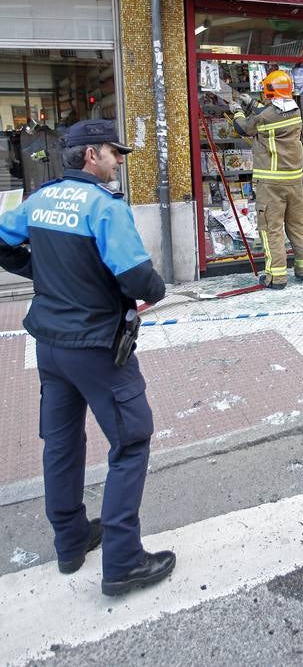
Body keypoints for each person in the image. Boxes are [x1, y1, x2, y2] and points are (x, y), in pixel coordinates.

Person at [0, 119, 176, 596]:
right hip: (97, 348)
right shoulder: (104, 207)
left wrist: (42, 270)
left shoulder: (40, 199)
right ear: (91, 154)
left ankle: (71, 540)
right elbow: (141, 282)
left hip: (50, 346)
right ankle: (122, 561)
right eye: (114, 152)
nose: (119, 160)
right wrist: (153, 291)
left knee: (61, 443)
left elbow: (1, 240)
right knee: (132, 442)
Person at [233, 70, 303, 289]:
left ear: (269, 91)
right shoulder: (295, 111)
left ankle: (276, 277)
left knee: (271, 229)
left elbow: (244, 127)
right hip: (294, 182)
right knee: (297, 226)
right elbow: (268, 112)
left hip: (271, 183)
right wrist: (252, 104)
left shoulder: (266, 116)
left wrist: (238, 111)